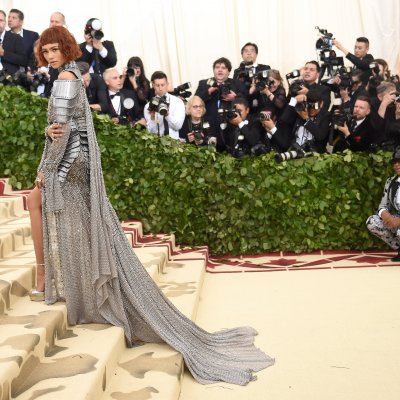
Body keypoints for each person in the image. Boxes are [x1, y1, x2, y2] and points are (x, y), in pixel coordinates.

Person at [27, 25, 273, 385]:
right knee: (67, 215)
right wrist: (50, 135)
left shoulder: (65, 77)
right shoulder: (74, 75)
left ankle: (45, 277)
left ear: (66, 49)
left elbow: (62, 128)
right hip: (76, 158)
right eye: (45, 50)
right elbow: (61, 125)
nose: (50, 55)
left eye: (55, 49)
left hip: (69, 161)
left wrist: (46, 168)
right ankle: (59, 281)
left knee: (38, 201)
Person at [366, 148, 400, 261]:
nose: (397, 165)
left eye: (399, 162)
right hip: (396, 220)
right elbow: (382, 205)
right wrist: (386, 215)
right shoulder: (390, 181)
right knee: (372, 222)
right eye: (395, 162)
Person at [144, 71, 185, 139]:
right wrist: (152, 117)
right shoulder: (148, 106)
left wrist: (167, 115)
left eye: (162, 85)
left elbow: (178, 126)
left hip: (175, 144)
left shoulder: (177, 102)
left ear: (167, 84)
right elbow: (150, 131)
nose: (160, 88)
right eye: (157, 85)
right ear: (153, 86)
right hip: (157, 144)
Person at [0, 10, 27, 75]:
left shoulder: (15, 38)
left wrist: (4, 53)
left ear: (5, 22)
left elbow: (23, 60)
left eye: (0, 20)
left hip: (9, 80)